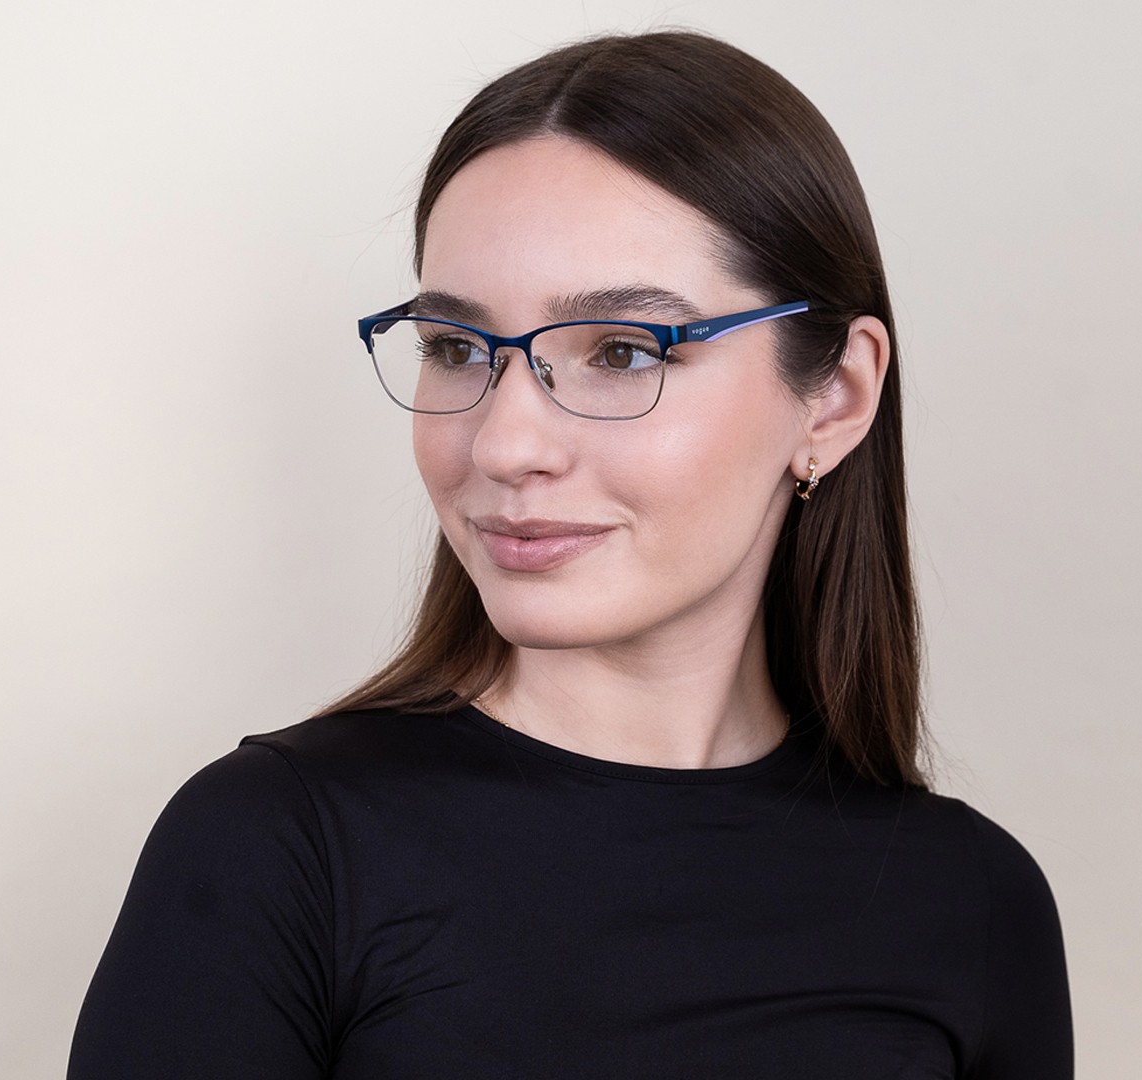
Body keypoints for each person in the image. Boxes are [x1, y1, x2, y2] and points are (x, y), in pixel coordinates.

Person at [68, 30, 1073, 1079]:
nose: (504, 445)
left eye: (623, 352)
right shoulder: (275, 849)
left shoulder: (971, 906)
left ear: (834, 397)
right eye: (456, 348)